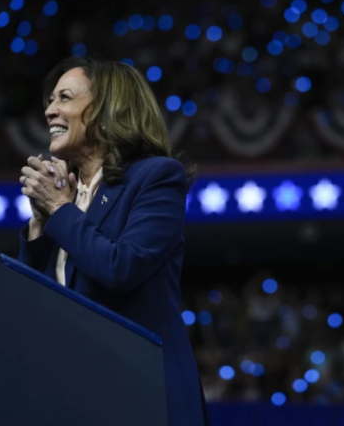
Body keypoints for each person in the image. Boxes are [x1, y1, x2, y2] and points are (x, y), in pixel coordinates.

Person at [18, 56, 208, 426]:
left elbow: (121, 267)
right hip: (73, 397)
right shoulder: (67, 200)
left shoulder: (155, 178)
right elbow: (30, 306)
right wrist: (41, 224)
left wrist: (59, 211)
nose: (50, 111)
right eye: (50, 100)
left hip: (143, 394)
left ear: (107, 110)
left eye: (64, 98)